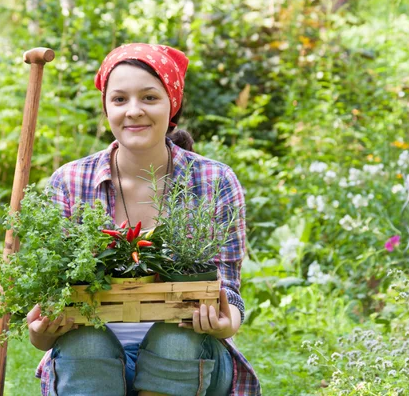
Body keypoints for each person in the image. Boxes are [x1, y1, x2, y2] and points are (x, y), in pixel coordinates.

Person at [28, 43, 260, 396]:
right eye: (119, 99)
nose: (133, 111)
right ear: (106, 108)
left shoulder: (214, 180)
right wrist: (40, 332)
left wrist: (227, 322)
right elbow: (52, 294)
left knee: (176, 339)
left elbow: (227, 286)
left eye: (149, 98)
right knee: (85, 344)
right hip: (91, 358)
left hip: (189, 355)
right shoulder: (70, 181)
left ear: (172, 106)